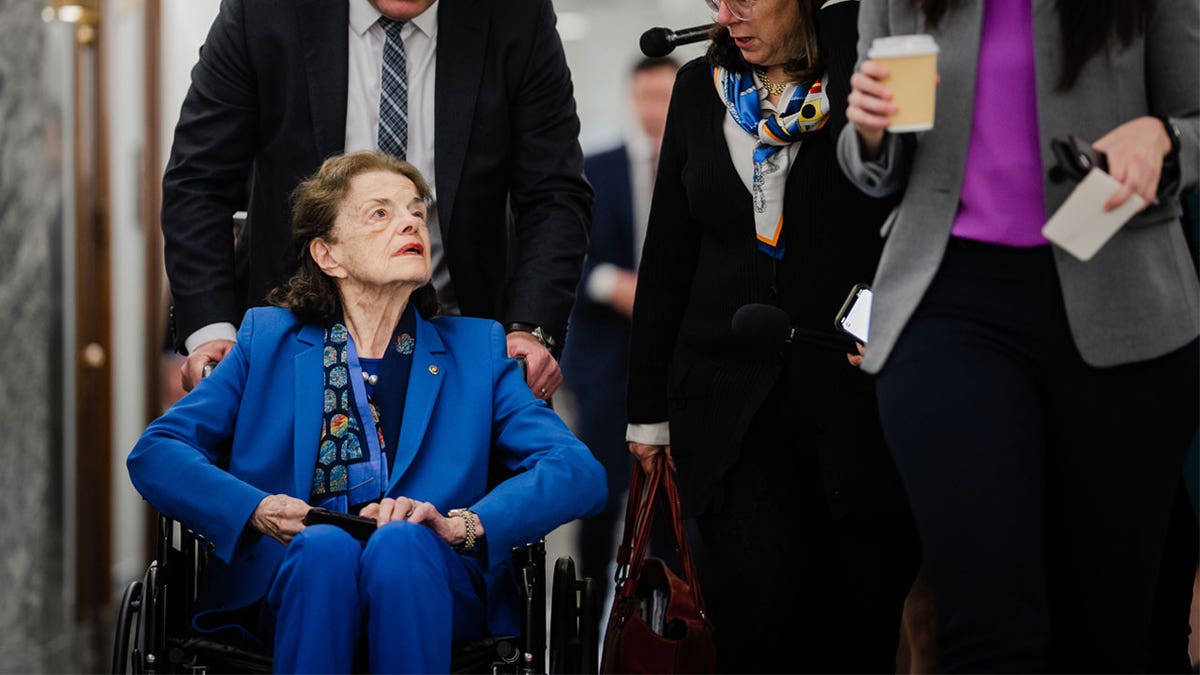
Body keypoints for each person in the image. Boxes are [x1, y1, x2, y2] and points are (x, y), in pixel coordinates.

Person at [128, 152, 607, 673]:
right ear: (327, 253)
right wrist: (257, 508)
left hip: (433, 584)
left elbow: (578, 472)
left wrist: (464, 526)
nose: (409, 222)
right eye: (380, 213)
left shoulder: (477, 350)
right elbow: (156, 453)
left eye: (416, 212)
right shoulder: (265, 341)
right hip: (287, 580)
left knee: (401, 545)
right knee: (324, 550)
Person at [839, 0, 1199, 671]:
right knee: (988, 626)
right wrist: (866, 132)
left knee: (1108, 631)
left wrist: (1164, 138)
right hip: (948, 304)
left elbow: (1194, 117)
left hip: (1123, 302)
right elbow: (872, 170)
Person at [624, 1, 918, 671]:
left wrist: (899, 323)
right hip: (728, 410)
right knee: (757, 633)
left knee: (857, 632)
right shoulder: (699, 88)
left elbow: (919, 210)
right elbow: (668, 252)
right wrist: (647, 410)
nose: (730, 13)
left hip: (860, 402)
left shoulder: (871, 73)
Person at [162, 0, 593, 400]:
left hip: (465, 350)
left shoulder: (515, 15)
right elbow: (199, 180)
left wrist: (531, 330)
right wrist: (213, 331)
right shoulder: (266, 11)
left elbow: (555, 193)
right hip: (288, 343)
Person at [560, 55, 678, 599]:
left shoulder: (701, 163)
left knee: (669, 501)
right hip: (607, 358)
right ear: (634, 99)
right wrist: (614, 284)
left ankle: (667, 613)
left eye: (667, 97)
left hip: (678, 358)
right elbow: (566, 252)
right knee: (602, 489)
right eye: (648, 97)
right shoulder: (597, 167)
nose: (657, 109)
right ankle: (587, 611)